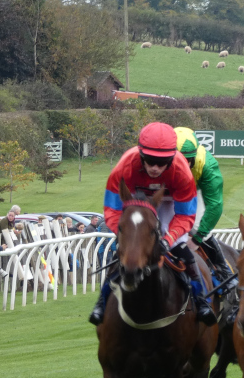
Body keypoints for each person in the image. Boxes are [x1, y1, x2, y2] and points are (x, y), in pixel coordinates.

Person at [88, 122, 217, 326]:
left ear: (172, 157)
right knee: (122, 251)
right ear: (140, 154)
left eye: (162, 162)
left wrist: (168, 239)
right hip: (135, 203)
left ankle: (202, 301)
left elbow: (185, 215)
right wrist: (127, 236)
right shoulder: (125, 166)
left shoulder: (182, 170)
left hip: (169, 202)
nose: (155, 168)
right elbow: (112, 210)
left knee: (180, 248)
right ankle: (101, 303)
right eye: (149, 161)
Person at [174, 127, 235, 290]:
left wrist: (197, 238)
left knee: (196, 225)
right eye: (179, 159)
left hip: (195, 188)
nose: (184, 165)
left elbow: (214, 205)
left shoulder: (207, 165)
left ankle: (225, 271)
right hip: (168, 189)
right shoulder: (160, 158)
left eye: (189, 159)